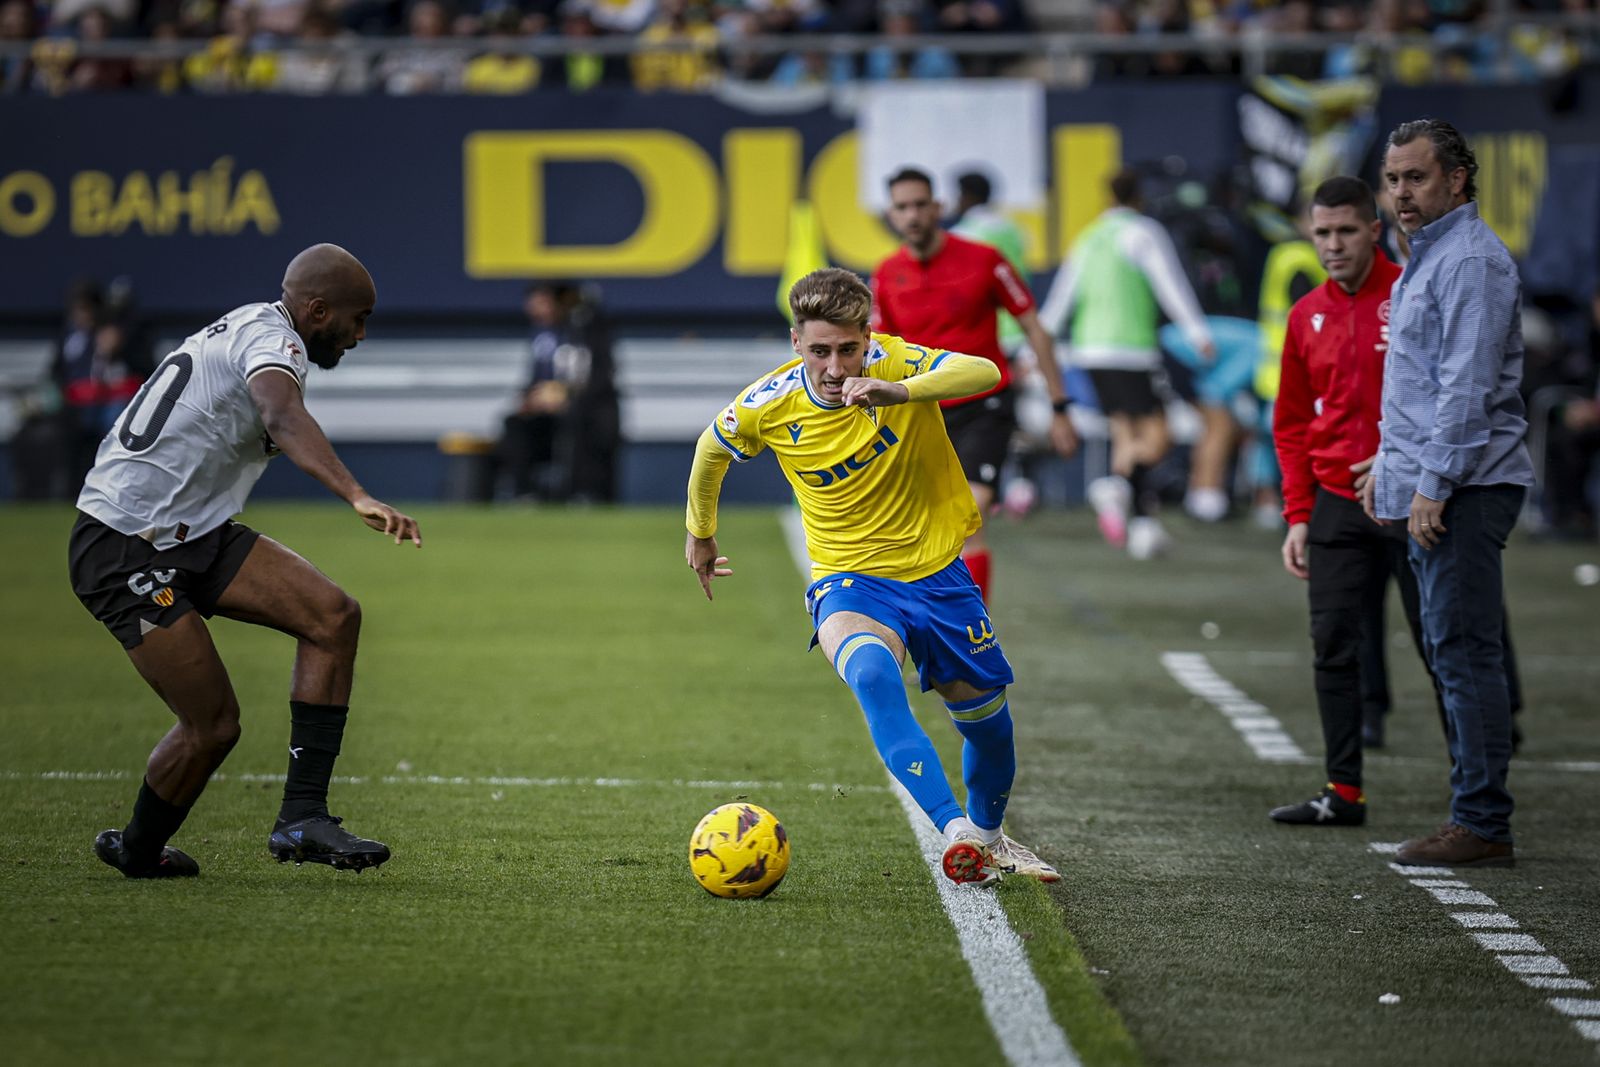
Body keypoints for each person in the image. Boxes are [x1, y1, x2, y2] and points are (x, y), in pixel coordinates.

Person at [684, 267, 1058, 887]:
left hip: (938, 573)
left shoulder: (897, 362)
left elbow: (986, 372)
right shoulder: (767, 403)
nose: (835, 367)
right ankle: (956, 832)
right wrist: (700, 532)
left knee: (991, 730)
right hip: (849, 579)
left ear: (868, 337)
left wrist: (902, 392)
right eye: (819, 351)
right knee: (874, 674)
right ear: (796, 343)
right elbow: (709, 450)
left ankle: (991, 838)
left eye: (848, 349)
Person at [69, 243, 422, 879]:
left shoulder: (253, 327)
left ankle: (302, 817)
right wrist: (357, 494)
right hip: (123, 544)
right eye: (358, 319)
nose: (361, 335)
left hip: (193, 531)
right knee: (213, 726)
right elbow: (281, 415)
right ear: (318, 311)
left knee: (333, 617)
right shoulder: (271, 340)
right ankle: (137, 851)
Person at [1359, 119, 1534, 867]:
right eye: (1393, 179)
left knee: (1463, 654)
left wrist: (1431, 484)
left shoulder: (1469, 260)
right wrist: (1389, 460)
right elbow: (1422, 384)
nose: (1401, 192)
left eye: (1416, 177)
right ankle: (1477, 814)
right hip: (1442, 479)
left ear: (1456, 179)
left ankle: (1482, 821)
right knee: (1453, 650)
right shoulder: (1430, 256)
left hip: (1465, 485)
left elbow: (1466, 388)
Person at [1266, 175, 1444, 827]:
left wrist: (1415, 468)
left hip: (1416, 503)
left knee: (1442, 649)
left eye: (1346, 231)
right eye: (1323, 233)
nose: (1333, 244)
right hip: (1337, 504)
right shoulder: (1304, 314)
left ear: (1375, 231)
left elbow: (1452, 397)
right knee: (1333, 647)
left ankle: (1474, 806)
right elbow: (1291, 424)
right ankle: (1343, 792)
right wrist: (1298, 515)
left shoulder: (1414, 294)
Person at [872, 167, 1079, 602]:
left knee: (970, 513)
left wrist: (1060, 407)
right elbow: (879, 352)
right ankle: (940, 624)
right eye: (902, 207)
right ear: (891, 214)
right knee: (920, 529)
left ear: (938, 207)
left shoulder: (985, 260)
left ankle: (973, 633)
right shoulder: (887, 274)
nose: (912, 215)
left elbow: (1035, 329)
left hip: (984, 405)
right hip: (921, 411)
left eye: (920, 204)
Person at [1041, 168, 1215, 559]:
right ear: (1139, 197)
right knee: (1159, 435)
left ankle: (1143, 525)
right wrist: (1197, 332)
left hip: (1090, 351)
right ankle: (1116, 487)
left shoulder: (1088, 236)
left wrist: (1036, 347)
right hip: (1130, 352)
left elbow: (1062, 297)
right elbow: (1169, 283)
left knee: (1125, 434)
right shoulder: (1143, 232)